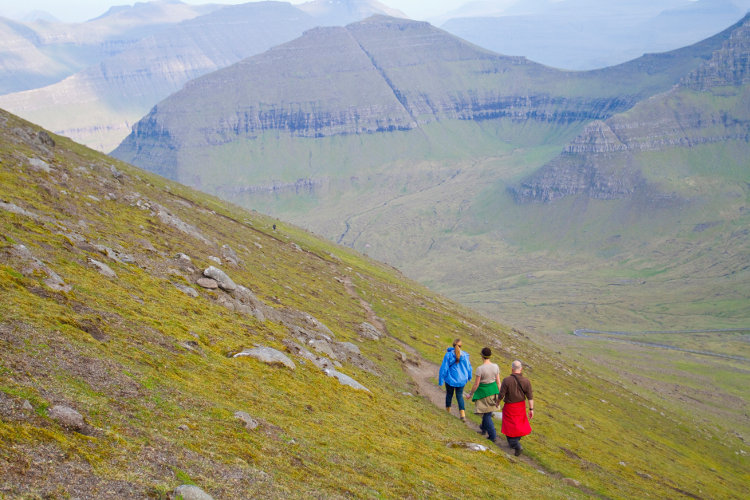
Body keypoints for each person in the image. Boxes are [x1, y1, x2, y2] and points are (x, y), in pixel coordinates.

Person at [498, 360, 534, 456]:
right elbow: (530, 397)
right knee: (519, 426)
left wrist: (497, 402)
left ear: (512, 369)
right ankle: (515, 442)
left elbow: (501, 394)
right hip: (521, 407)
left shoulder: (506, 380)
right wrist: (531, 409)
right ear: (521, 369)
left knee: (509, 427)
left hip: (510, 407)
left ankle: (516, 445)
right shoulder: (526, 381)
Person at [465, 347, 501, 442]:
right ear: (490, 356)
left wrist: (470, 394)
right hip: (493, 392)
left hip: (484, 393)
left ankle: (493, 436)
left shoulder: (480, 369)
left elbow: (476, 384)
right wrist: (500, 394)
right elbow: (498, 382)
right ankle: (483, 429)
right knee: (488, 413)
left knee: (486, 415)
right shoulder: (496, 367)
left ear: (482, 356)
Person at [438, 338, 472, 421]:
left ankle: (448, 412)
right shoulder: (465, 356)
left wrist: (441, 380)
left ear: (453, 345)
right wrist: (469, 377)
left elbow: (444, 368)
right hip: (461, 380)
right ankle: (462, 415)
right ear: (461, 346)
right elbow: (469, 368)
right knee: (459, 396)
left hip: (450, 379)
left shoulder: (448, 355)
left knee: (449, 394)